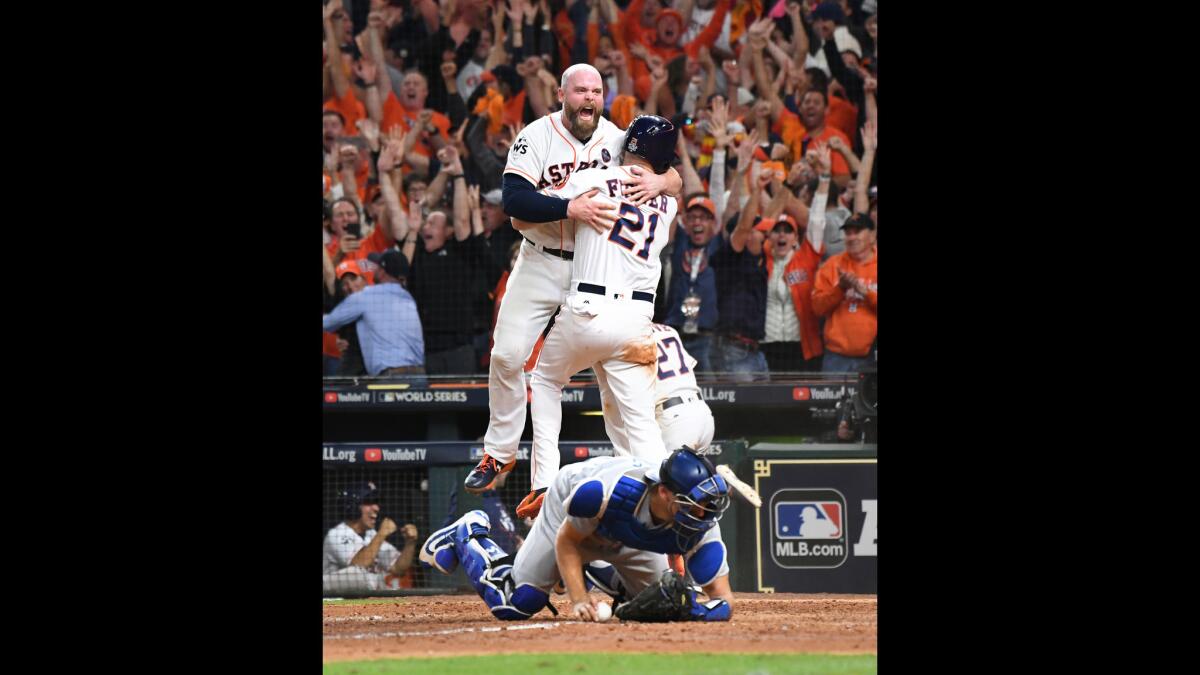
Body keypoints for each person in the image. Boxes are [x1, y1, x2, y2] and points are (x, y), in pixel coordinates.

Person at [464, 64, 683, 501]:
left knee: (606, 382)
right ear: (561, 94)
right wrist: (570, 210)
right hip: (542, 260)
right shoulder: (536, 136)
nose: (589, 99)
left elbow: (672, 176)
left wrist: (662, 179)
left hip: (594, 266)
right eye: (580, 91)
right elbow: (514, 201)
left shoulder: (617, 137)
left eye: (596, 91)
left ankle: (632, 485)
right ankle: (499, 452)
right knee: (507, 355)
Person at [519, 114, 680, 519]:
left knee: (544, 380)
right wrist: (664, 179)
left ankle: (542, 483)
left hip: (589, 312)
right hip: (637, 323)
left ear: (630, 146)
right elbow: (671, 181)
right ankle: (672, 519)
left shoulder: (594, 179)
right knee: (640, 429)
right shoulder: (669, 202)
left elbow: (528, 209)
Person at [420, 447, 734, 622]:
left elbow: (722, 601)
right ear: (664, 492)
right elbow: (567, 542)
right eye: (695, 503)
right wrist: (579, 598)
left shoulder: (701, 525)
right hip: (569, 504)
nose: (703, 513)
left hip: (625, 536)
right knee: (517, 603)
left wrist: (695, 610)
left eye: (707, 504)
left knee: (655, 605)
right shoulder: (603, 494)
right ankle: (468, 533)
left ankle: (598, 570)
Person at [321, 250, 426, 379]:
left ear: (381, 272)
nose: (349, 286)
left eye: (354, 279)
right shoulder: (407, 297)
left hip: (391, 376)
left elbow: (327, 323)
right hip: (419, 375)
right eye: (344, 284)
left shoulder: (365, 297)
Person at [323, 481, 420, 594]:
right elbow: (359, 565)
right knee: (357, 575)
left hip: (360, 597)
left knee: (378, 581)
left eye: (376, 503)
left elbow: (398, 569)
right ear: (352, 506)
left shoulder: (371, 535)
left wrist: (410, 543)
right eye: (368, 502)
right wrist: (381, 535)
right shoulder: (336, 534)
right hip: (331, 595)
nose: (376, 508)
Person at [811, 212, 877, 373]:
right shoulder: (833, 265)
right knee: (832, 399)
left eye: (857, 231)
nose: (852, 237)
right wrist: (840, 289)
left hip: (873, 356)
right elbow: (817, 308)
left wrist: (865, 292)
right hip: (837, 358)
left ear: (872, 235)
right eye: (848, 233)